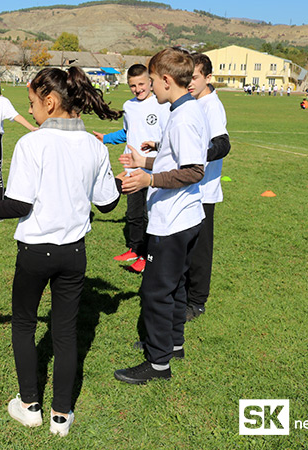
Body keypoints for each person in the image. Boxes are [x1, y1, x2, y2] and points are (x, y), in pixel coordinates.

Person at [0, 66, 122, 437]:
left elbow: (16, 205)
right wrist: (120, 181)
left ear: (50, 102)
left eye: (33, 103)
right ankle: (61, 416)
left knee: (24, 324)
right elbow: (107, 204)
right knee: (65, 333)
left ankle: (29, 404)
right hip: (74, 254)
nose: (31, 110)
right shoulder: (95, 146)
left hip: (35, 253)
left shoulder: (33, 143)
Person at [114, 47, 208, 385]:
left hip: (173, 221)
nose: (150, 87)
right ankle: (174, 344)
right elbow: (178, 159)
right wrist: (146, 162)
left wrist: (150, 179)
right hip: (187, 218)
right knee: (177, 284)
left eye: (152, 81)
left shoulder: (183, 117)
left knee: (156, 291)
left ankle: (157, 364)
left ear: (166, 80)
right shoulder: (185, 109)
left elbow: (194, 169)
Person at [92, 64, 170, 273]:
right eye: (133, 86)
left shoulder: (161, 104)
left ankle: (147, 256)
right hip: (132, 168)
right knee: (134, 213)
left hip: (154, 169)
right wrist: (106, 138)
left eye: (141, 84)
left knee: (149, 215)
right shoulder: (129, 106)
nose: (137, 89)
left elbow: (167, 138)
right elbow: (128, 132)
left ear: (150, 83)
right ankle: (134, 249)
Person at [185, 53, 231, 321]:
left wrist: (195, 155)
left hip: (204, 192)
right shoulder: (193, 102)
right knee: (186, 246)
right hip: (189, 188)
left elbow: (223, 145)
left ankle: (197, 301)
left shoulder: (211, 105)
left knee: (200, 248)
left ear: (208, 78)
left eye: (194, 77)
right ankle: (184, 295)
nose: (189, 82)